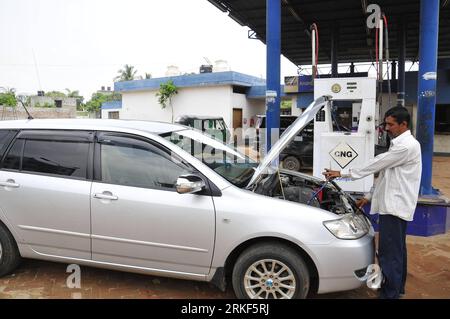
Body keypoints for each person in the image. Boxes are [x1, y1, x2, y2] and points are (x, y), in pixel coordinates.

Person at [323, 106, 422, 299]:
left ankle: (389, 294)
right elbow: (384, 175)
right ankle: (397, 289)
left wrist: (342, 173)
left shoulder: (406, 146)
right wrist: (367, 197)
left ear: (404, 124)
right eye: (385, 123)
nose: (387, 128)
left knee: (389, 253)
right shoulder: (399, 144)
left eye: (391, 124)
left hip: (395, 207)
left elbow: (377, 163)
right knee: (397, 251)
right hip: (393, 204)